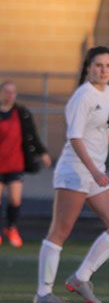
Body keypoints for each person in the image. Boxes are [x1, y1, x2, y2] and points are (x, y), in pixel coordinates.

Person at [34, 46, 109, 303]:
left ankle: (81, 278)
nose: (103, 70)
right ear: (88, 68)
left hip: (96, 172)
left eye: (108, 66)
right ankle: (43, 292)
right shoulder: (83, 95)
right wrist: (93, 170)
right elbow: (74, 136)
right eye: (98, 65)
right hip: (75, 170)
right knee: (61, 231)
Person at [0, 81, 52, 248]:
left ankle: (11, 227)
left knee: (15, 200)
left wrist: (42, 152)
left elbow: (32, 135)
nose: (10, 95)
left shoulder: (22, 113)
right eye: (6, 92)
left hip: (15, 163)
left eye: (13, 92)